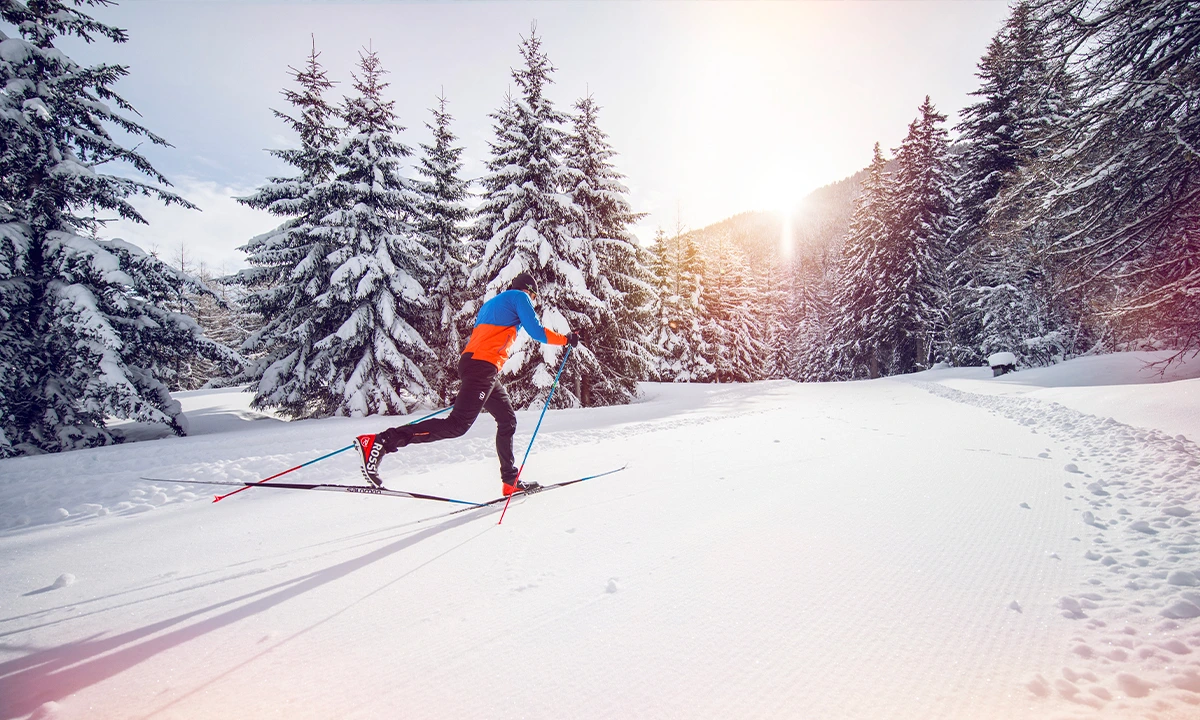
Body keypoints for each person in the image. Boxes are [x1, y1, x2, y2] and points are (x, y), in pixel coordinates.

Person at [355, 272, 582, 496]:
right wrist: (566, 339)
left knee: (507, 419)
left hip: (480, 366)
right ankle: (381, 442)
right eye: (533, 297)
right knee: (457, 425)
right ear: (529, 291)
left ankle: (510, 480)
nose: (532, 302)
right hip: (482, 368)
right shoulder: (519, 297)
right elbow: (536, 331)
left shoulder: (493, 304)